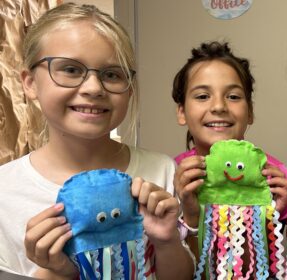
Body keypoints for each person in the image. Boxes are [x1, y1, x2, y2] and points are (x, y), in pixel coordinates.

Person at [0, 3, 193, 279]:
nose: (93, 88)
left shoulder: (161, 171)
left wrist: (166, 241)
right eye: (70, 69)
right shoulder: (5, 193)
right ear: (30, 82)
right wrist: (57, 272)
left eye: (112, 74)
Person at [171, 41, 287, 263]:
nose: (219, 107)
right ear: (181, 112)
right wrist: (190, 214)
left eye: (233, 96)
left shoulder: (273, 177)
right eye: (202, 96)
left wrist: (272, 215)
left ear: (250, 112)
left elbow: (273, 263)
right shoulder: (172, 175)